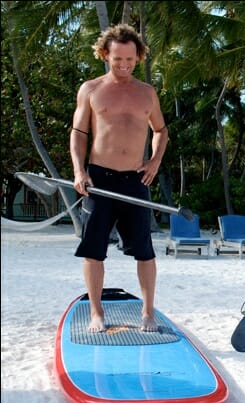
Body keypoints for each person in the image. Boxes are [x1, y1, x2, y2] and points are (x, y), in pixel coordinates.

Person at [69, 24, 168, 333]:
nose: (124, 65)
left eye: (130, 59)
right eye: (117, 59)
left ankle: (148, 312)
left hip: (136, 181)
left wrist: (154, 160)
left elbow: (161, 131)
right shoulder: (91, 89)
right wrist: (78, 170)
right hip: (98, 179)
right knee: (93, 249)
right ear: (105, 55)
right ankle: (96, 312)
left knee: (145, 251)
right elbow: (78, 133)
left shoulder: (146, 93)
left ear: (137, 56)